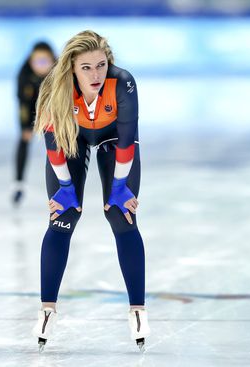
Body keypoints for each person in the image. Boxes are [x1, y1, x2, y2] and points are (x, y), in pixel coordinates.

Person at [30, 30, 150, 352]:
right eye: (86, 68)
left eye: (101, 65)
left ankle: (137, 310)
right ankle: (47, 310)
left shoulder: (122, 83)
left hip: (114, 139)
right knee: (63, 217)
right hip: (75, 138)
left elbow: (126, 141)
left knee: (121, 215)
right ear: (71, 68)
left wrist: (121, 186)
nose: (96, 74)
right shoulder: (56, 89)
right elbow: (54, 148)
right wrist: (66, 187)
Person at [12, 42, 56, 205]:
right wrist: (24, 126)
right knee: (24, 140)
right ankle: (18, 184)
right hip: (31, 107)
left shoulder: (60, 71)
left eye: (45, 61)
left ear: (52, 61)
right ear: (31, 62)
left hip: (53, 107)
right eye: (37, 61)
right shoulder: (24, 75)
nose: (41, 66)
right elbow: (22, 105)